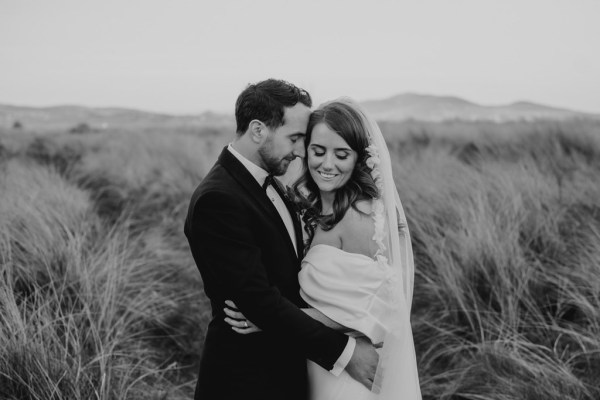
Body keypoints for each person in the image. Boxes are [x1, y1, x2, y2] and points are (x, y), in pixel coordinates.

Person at [184, 80, 380, 400]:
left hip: (293, 371)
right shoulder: (218, 199)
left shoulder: (271, 183)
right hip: (246, 380)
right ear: (258, 130)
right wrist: (346, 352)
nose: (302, 151)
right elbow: (258, 303)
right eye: (295, 138)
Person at [225, 98, 422, 400]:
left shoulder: (361, 218)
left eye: (342, 154)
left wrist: (269, 319)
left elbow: (375, 311)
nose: (327, 164)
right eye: (318, 151)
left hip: (350, 377)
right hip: (315, 366)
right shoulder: (308, 209)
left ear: (359, 158)